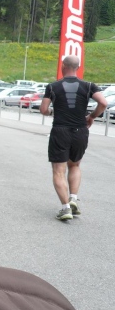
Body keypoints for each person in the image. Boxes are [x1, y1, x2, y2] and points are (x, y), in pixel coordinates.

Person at [39, 55, 107, 221]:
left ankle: (65, 208)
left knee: (58, 170)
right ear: (78, 67)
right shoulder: (89, 86)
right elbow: (103, 103)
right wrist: (91, 116)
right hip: (80, 131)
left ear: (63, 66)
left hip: (60, 131)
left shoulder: (53, 86)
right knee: (75, 165)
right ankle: (73, 199)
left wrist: (52, 111)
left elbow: (43, 109)